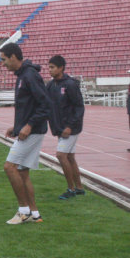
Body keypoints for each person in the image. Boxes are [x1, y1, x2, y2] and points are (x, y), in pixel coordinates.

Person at [0, 43, 50, 224]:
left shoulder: (29, 76)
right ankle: (35, 214)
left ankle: (24, 212)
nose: (2, 63)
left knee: (9, 167)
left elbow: (45, 104)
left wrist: (28, 126)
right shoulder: (22, 76)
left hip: (33, 132)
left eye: (4, 59)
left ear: (13, 57)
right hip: (29, 130)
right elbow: (28, 106)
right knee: (22, 172)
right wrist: (17, 127)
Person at [46, 55, 85, 199]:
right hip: (59, 128)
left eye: (52, 67)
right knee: (69, 157)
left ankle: (71, 189)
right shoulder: (51, 85)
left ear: (61, 68)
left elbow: (79, 107)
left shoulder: (70, 84)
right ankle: (79, 188)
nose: (49, 70)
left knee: (61, 155)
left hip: (70, 128)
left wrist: (70, 126)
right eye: (49, 67)